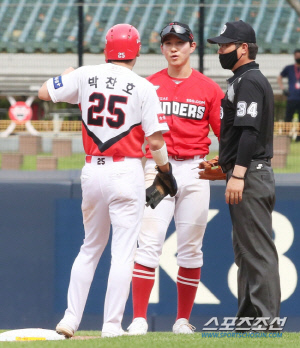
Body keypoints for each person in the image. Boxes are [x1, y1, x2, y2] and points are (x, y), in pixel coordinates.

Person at [38, 24, 176, 338]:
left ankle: (70, 320)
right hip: (126, 170)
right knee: (123, 253)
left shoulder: (85, 75)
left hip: (91, 170)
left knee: (89, 248)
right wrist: (165, 171)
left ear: (107, 49)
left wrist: (68, 75)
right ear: (137, 51)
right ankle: (111, 326)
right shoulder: (144, 87)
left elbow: (44, 92)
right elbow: (155, 142)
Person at [127, 22, 224, 335]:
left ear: (192, 47)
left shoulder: (209, 89)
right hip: (158, 169)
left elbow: (226, 134)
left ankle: (182, 320)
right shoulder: (148, 85)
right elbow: (133, 131)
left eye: (180, 43)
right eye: (167, 42)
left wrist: (225, 163)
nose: (173, 48)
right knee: (148, 244)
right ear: (162, 48)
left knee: (191, 249)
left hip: (195, 169)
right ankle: (139, 318)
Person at [207, 20, 281, 329]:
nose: (221, 50)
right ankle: (248, 322)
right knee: (246, 252)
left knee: (257, 252)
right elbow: (242, 136)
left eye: (225, 45)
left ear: (244, 48)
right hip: (246, 171)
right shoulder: (242, 78)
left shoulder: (249, 79)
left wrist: (236, 174)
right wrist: (224, 162)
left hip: (251, 175)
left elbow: (250, 133)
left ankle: (265, 323)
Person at [277, 49, 300, 141]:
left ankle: (298, 138)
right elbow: (279, 77)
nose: (298, 57)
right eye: (296, 55)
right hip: (291, 98)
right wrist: (283, 88)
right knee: (288, 118)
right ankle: (286, 137)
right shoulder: (289, 68)